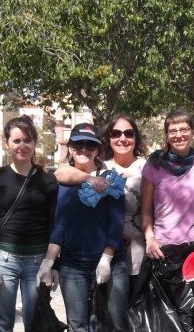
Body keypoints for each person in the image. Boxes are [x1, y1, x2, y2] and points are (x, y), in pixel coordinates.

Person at [40, 123, 126, 332]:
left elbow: (116, 225)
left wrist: (106, 258)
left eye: (90, 145)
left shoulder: (110, 181)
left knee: (111, 329)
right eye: (78, 144)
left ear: (98, 150)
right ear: (70, 148)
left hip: (110, 264)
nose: (84, 150)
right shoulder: (62, 183)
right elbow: (59, 226)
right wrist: (49, 262)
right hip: (73, 267)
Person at [0, 115, 58, 332]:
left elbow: (54, 224)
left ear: (35, 142)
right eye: (16, 140)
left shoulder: (47, 178)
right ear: (7, 143)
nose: (22, 146)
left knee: (33, 324)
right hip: (5, 259)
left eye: (27, 140)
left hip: (37, 262)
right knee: (3, 327)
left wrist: (53, 264)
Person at [55, 114, 147, 314]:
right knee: (100, 318)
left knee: (129, 317)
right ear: (109, 138)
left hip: (137, 249)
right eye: (116, 133)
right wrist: (91, 178)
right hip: (104, 250)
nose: (122, 138)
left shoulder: (147, 167)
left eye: (128, 133)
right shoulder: (102, 167)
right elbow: (61, 173)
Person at [141, 109, 194, 260]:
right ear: (167, 136)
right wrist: (150, 238)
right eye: (173, 131)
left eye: (184, 129)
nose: (179, 135)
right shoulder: (154, 166)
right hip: (164, 248)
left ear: (193, 133)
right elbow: (146, 212)